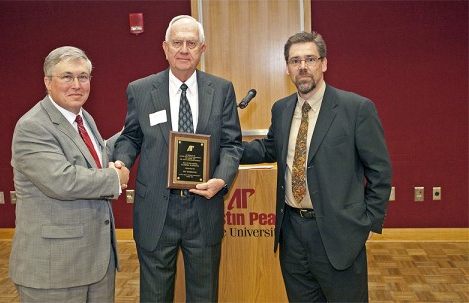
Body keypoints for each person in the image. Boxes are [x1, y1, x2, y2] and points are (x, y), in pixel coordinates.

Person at [241, 31, 392, 302]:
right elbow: (269, 148)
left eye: (310, 59)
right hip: (292, 233)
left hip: (339, 233)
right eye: (295, 60)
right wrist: (224, 149)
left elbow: (379, 170)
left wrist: (369, 222)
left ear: (323, 63)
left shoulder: (355, 108)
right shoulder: (282, 109)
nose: (303, 66)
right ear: (287, 68)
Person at [113, 15, 243, 302]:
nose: (184, 49)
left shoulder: (221, 90)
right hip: (156, 210)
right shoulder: (141, 89)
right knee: (155, 294)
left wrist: (221, 179)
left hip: (203, 207)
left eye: (191, 43)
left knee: (204, 294)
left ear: (202, 48)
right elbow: (131, 137)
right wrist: (121, 161)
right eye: (177, 42)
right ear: (165, 47)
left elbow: (232, 145)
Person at [9, 46, 130, 302]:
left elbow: (99, 157)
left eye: (83, 77)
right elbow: (63, 181)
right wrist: (114, 179)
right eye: (67, 77)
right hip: (55, 271)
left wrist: (135, 131)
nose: (77, 84)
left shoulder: (82, 118)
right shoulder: (33, 126)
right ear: (47, 82)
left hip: (96, 265)